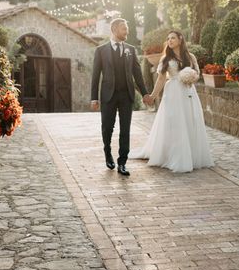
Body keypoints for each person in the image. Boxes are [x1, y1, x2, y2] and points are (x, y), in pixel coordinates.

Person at [130, 30, 214, 173]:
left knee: (190, 120)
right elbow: (161, 79)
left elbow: (197, 74)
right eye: (168, 38)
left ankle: (192, 155)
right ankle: (173, 155)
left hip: (188, 92)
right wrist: (153, 96)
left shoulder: (190, 57)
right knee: (174, 122)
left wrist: (191, 76)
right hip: (173, 92)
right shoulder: (165, 59)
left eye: (173, 38)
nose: (170, 40)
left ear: (180, 39)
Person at [91, 18, 153, 176]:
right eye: (124, 29)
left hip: (127, 95)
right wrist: (94, 98)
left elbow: (137, 75)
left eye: (127, 29)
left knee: (125, 129)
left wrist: (145, 93)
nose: (127, 32)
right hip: (108, 95)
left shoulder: (131, 50)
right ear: (114, 30)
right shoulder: (101, 50)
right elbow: (95, 76)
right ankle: (108, 154)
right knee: (107, 128)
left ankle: (122, 163)